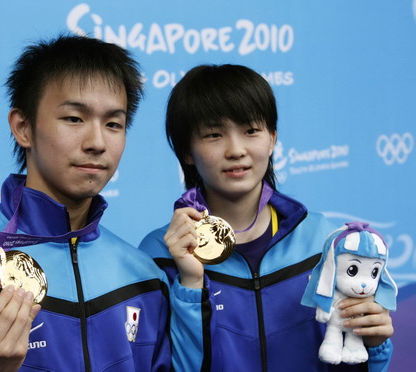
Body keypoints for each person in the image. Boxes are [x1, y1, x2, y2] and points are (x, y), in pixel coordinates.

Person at [0, 35, 171, 371]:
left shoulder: (146, 278)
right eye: (74, 119)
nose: (97, 142)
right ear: (23, 127)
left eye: (113, 124)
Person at [138, 64, 394, 371]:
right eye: (214, 134)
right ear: (187, 151)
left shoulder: (324, 241)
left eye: (251, 131)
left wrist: (374, 343)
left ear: (272, 139)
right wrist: (191, 284)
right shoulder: (159, 255)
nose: (236, 150)